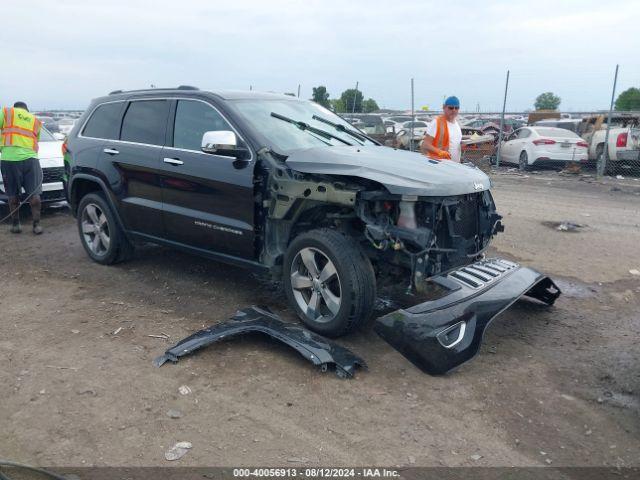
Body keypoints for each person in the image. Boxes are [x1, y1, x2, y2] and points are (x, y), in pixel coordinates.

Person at [0, 101, 43, 234]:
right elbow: (36, 140)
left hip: (9, 159)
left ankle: (16, 225)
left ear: (15, 107)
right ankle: (36, 225)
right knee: (34, 194)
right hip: (31, 160)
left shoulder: (7, 113)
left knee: (12, 194)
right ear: (26, 110)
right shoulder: (35, 120)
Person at [421, 96, 463, 162]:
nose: (454, 110)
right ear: (444, 107)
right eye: (451, 108)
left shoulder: (456, 124)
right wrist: (439, 152)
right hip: (439, 164)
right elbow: (425, 145)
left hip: (454, 166)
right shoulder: (437, 122)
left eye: (456, 108)